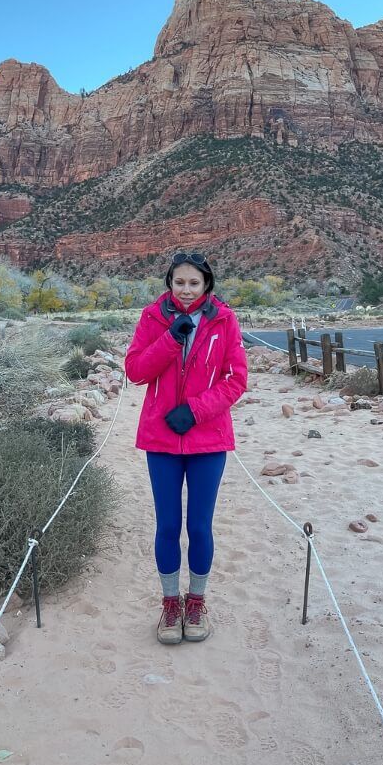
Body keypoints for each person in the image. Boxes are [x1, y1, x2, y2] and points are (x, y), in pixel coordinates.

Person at [125, 252, 248, 644]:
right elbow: (136, 370)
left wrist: (195, 412)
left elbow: (236, 379)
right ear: (169, 283)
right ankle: (169, 604)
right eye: (180, 282)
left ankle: (196, 602)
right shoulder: (152, 317)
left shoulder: (224, 320)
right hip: (161, 439)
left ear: (207, 284)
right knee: (167, 525)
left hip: (208, 439)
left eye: (194, 283)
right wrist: (170, 337)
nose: (187, 290)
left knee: (198, 526)